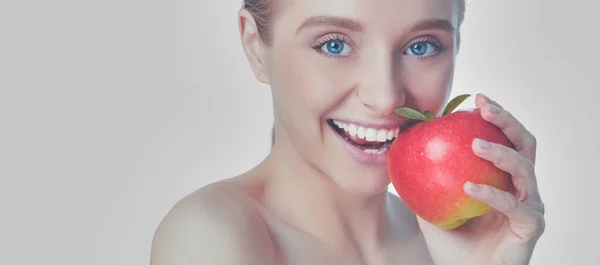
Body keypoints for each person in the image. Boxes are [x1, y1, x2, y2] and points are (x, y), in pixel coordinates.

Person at [150, 0, 546, 264]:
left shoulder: (451, 244)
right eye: (335, 45)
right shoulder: (209, 235)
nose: (386, 96)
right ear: (256, 47)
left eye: (422, 46)